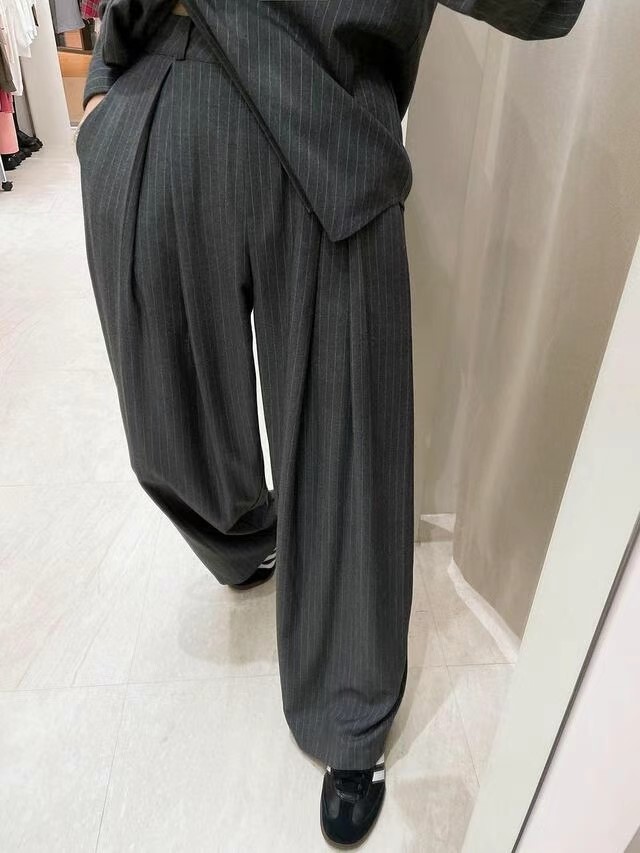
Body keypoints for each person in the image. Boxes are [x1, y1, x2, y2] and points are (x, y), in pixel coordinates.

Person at [77, 0, 585, 846]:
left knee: (348, 439)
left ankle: (349, 707)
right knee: (168, 425)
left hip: (325, 109)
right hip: (160, 78)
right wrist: (104, 79)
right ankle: (248, 541)